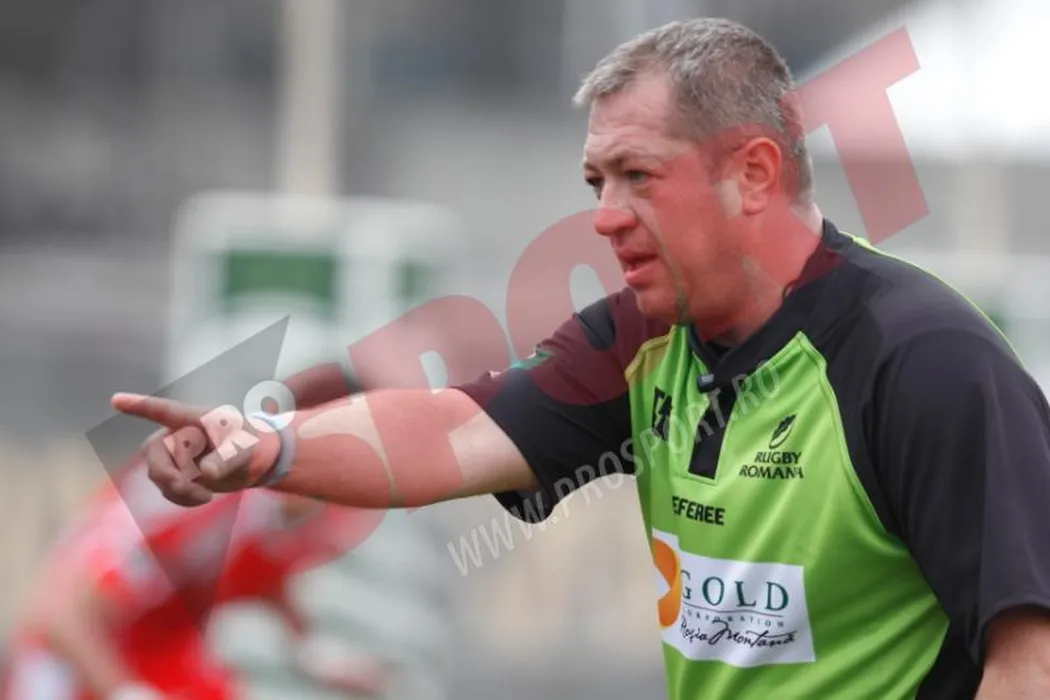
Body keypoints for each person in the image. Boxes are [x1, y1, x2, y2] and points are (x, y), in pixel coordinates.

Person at [111, 17, 1050, 699]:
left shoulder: (925, 361)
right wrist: (265, 446)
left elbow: (1030, 663)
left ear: (754, 173)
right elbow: (447, 431)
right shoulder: (641, 339)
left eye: (639, 176)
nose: (603, 215)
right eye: (597, 181)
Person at [3, 456, 392, 700]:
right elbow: (61, 618)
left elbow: (265, 575)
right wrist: (128, 693)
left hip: (157, 644)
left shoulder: (289, 515)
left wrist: (313, 655)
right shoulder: (194, 504)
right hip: (71, 654)